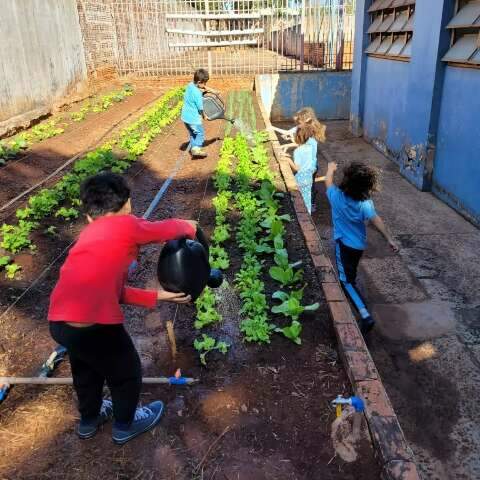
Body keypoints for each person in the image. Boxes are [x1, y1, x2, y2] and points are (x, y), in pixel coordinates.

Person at [48, 172, 196, 445]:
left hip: (61, 323)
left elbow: (114, 293)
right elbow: (161, 230)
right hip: (97, 328)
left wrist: (158, 296)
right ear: (127, 206)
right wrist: (188, 226)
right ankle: (125, 424)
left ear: (89, 216)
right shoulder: (125, 225)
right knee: (126, 372)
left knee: (86, 370)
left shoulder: (88, 237)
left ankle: (89, 421)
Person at [324, 161, 399, 334]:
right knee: (350, 274)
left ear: (346, 181)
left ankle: (365, 315)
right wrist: (389, 239)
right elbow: (376, 220)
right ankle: (357, 298)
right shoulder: (366, 203)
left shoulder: (336, 196)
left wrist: (330, 169)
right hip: (358, 246)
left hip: (343, 245)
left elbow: (328, 182)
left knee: (345, 281)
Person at [273, 107, 325, 211]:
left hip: (306, 170)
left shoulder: (301, 149)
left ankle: (309, 205)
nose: (297, 125)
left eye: (298, 122)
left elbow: (297, 168)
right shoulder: (309, 136)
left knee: (305, 191)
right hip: (312, 166)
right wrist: (287, 146)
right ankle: (310, 204)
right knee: (310, 186)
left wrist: (288, 160)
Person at [180, 68, 218, 158]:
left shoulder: (190, 85)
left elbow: (202, 88)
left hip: (185, 118)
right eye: (204, 83)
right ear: (199, 82)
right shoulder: (197, 93)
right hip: (193, 119)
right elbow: (200, 108)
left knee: (193, 133)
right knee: (200, 133)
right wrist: (205, 116)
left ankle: (194, 147)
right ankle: (196, 149)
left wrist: (212, 91)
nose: (205, 85)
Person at [284, 124, 317, 214]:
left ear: (298, 137)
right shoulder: (310, 147)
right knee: (307, 199)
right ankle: (308, 215)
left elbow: (297, 168)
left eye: (294, 135)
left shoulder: (298, 151)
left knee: (300, 200)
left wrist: (288, 160)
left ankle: (302, 214)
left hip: (300, 179)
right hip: (309, 177)